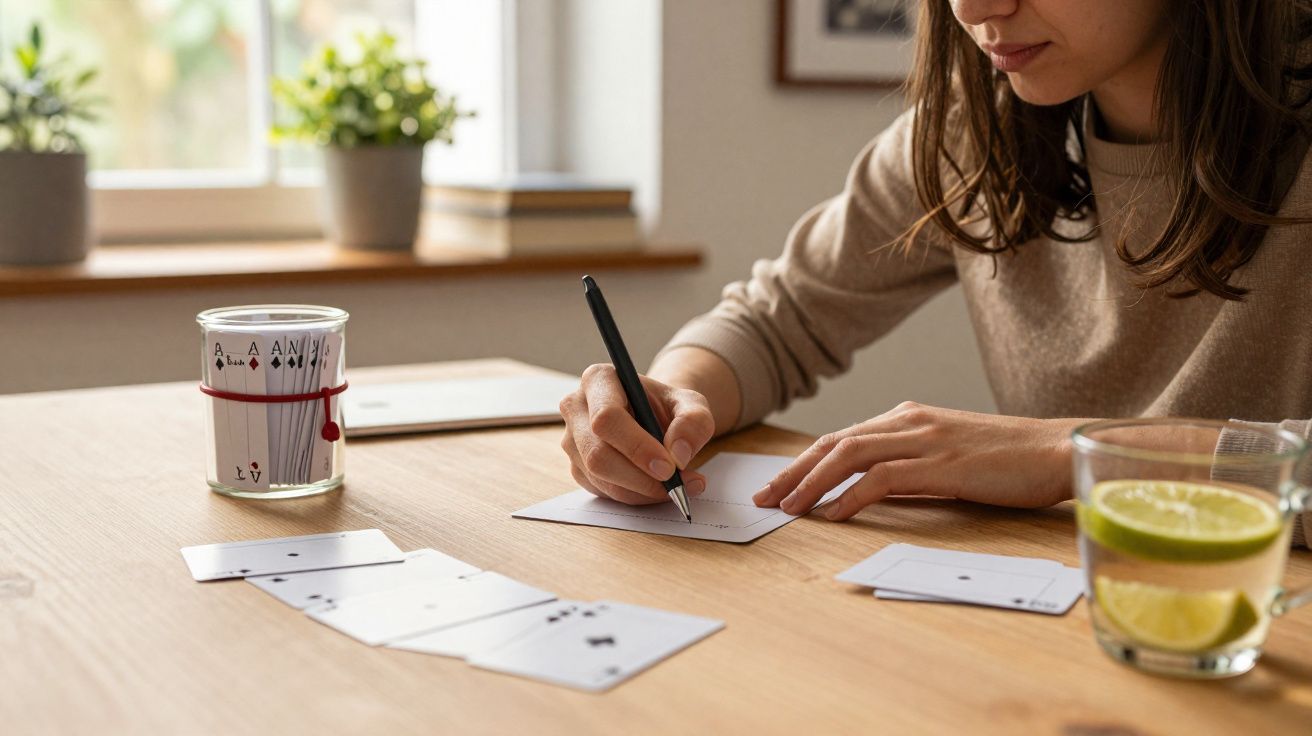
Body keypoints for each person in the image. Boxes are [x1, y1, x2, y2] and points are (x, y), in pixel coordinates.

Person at [558, 0, 1312, 544]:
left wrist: (1075, 454)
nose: (976, 8)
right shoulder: (972, 128)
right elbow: (777, 318)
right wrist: (672, 397)